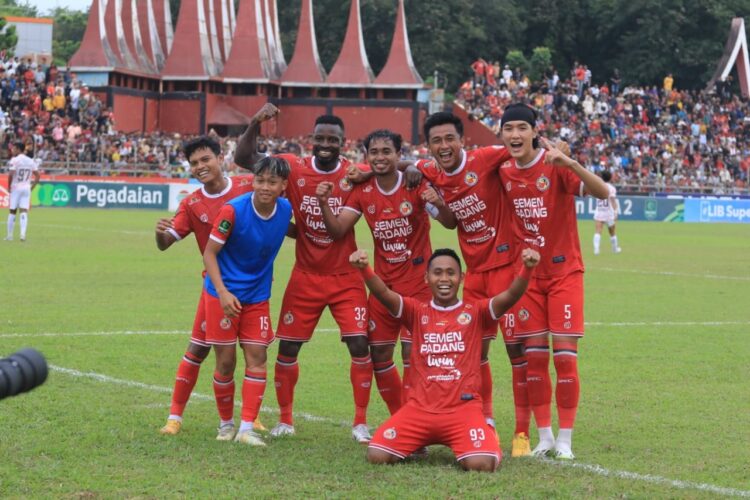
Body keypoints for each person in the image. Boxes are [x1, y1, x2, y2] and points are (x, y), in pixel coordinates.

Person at [234, 106, 375, 443]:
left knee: (359, 343)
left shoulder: (355, 174)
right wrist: (255, 121)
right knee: (288, 349)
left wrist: (371, 170)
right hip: (306, 276)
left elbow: (341, 228)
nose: (326, 144)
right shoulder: (293, 167)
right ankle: (285, 420)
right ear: (311, 140)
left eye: (333, 139)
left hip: (345, 277)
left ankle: (360, 422)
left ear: (344, 143)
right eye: (320, 138)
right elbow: (244, 158)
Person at [409, 111, 533, 457]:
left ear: (462, 139)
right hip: (474, 273)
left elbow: (526, 149)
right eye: (437, 141)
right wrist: (433, 201)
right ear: (429, 145)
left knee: (516, 350)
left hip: (507, 268)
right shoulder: (431, 171)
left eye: (450, 138)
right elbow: (449, 220)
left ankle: (522, 432)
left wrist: (557, 149)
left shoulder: (488, 157)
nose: (444, 146)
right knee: (476, 352)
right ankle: (486, 417)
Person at [352, 247, 540, 471]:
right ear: (426, 278)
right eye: (437, 272)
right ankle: (418, 442)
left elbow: (511, 295)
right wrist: (365, 268)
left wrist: (527, 268)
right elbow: (383, 293)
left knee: (482, 464)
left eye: (451, 273)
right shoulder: (416, 310)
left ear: (461, 278)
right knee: (376, 454)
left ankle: (484, 430)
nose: (444, 279)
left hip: (462, 411)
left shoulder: (476, 311)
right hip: (419, 410)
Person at [317, 129, 456, 416]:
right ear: (367, 157)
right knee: (379, 354)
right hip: (383, 288)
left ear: (398, 155)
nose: (381, 157)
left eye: (386, 151)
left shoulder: (415, 184)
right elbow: (338, 230)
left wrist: (439, 202)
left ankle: (421, 414)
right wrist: (322, 204)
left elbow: (449, 222)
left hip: (418, 286)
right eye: (375, 153)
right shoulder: (362, 191)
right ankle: (401, 416)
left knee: (412, 354)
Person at [497, 103, 609, 459]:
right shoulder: (501, 172)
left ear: (534, 132)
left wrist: (571, 162)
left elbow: (604, 192)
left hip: (564, 274)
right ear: (501, 135)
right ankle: (544, 437)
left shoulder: (555, 166)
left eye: (521, 128)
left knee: (564, 359)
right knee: (533, 359)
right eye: (508, 128)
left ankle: (566, 440)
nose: (515, 135)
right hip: (527, 278)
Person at [154, 135, 262, 435]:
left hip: (253, 287)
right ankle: (175, 416)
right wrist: (159, 233)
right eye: (194, 163)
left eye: (206, 159)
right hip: (216, 288)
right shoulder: (191, 204)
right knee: (199, 349)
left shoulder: (246, 186)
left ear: (220, 159)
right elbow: (166, 244)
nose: (201, 166)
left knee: (254, 351)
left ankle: (251, 417)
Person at [202, 156, 293, 445]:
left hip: (257, 297)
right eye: (260, 180)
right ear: (252, 181)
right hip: (222, 295)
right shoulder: (233, 210)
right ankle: (226, 424)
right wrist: (224, 292)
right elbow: (209, 254)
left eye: (272, 182)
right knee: (226, 363)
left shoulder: (285, 209)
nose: (265, 187)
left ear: (283, 186)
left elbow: (296, 231)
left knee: (257, 359)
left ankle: (245, 429)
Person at [5, 142, 40, 242]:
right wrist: (32, 187)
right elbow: (38, 176)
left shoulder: (15, 160)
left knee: (12, 211)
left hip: (16, 187)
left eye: (14, 148)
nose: (12, 150)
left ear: (18, 149)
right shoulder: (30, 161)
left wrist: (8, 187)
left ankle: (10, 235)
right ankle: (22, 235)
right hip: (26, 187)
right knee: (24, 210)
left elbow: (11, 174)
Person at [592, 170, 621, 255]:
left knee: (598, 231)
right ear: (610, 178)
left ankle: (596, 249)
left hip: (599, 211)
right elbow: (612, 201)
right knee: (612, 232)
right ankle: (615, 249)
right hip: (609, 213)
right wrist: (616, 211)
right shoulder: (611, 188)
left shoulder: (598, 186)